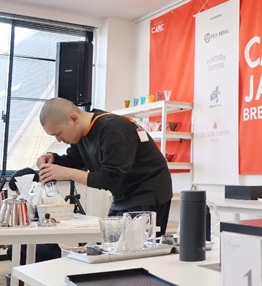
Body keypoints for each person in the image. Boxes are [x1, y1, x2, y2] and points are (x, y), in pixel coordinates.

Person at [36, 97, 173, 236]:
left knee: (134, 246)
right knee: (111, 241)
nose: (59, 140)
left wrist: (66, 173)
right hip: (122, 195)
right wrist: (53, 158)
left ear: (73, 118)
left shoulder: (113, 130)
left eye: (58, 133)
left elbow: (110, 180)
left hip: (148, 192)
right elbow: (75, 161)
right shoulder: (81, 134)